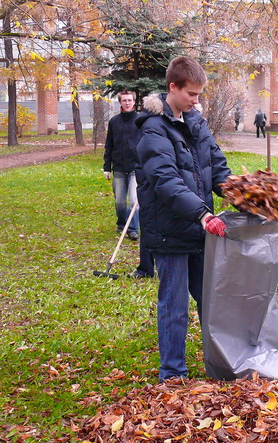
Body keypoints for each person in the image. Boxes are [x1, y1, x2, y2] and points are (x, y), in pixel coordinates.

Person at [136, 56, 232, 381]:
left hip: (198, 228)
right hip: (169, 231)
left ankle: (221, 363)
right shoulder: (153, 129)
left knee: (211, 300)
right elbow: (166, 180)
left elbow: (215, 164)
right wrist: (203, 214)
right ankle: (173, 373)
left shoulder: (196, 123)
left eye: (199, 94)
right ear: (173, 87)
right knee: (175, 305)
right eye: (191, 94)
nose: (196, 100)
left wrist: (240, 193)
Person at [103, 90, 141, 241]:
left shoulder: (140, 120)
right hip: (118, 168)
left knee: (133, 200)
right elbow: (109, 145)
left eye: (129, 100)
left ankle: (132, 229)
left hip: (135, 168)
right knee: (119, 201)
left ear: (134, 102)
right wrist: (107, 167)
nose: (127, 103)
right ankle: (121, 224)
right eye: (124, 100)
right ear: (120, 102)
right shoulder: (114, 122)